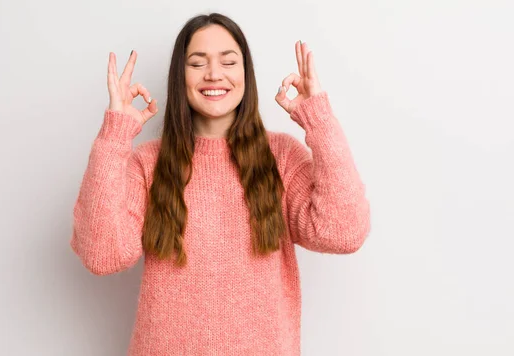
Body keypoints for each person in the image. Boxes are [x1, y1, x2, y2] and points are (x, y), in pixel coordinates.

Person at [70, 12, 370, 355]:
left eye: (228, 61)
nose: (214, 74)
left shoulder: (282, 157)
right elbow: (102, 255)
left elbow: (344, 232)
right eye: (197, 63)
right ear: (179, 77)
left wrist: (319, 119)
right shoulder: (148, 163)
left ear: (246, 74)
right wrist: (115, 134)